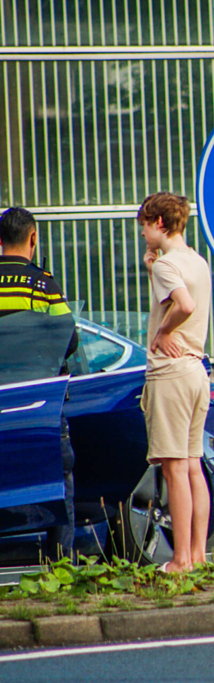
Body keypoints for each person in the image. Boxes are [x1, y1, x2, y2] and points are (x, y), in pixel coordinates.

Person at [138, 192, 213, 572]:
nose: (143, 235)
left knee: (174, 469)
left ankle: (180, 560)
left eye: (145, 227)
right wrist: (154, 268)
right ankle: (198, 555)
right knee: (194, 465)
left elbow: (184, 305)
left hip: (171, 372)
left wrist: (162, 333)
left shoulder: (168, 265)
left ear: (160, 224)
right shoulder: (196, 262)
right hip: (197, 370)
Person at [0, 207, 78, 560]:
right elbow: (70, 339)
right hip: (36, 403)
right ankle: (59, 562)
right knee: (57, 478)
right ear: (33, 239)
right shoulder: (43, 283)